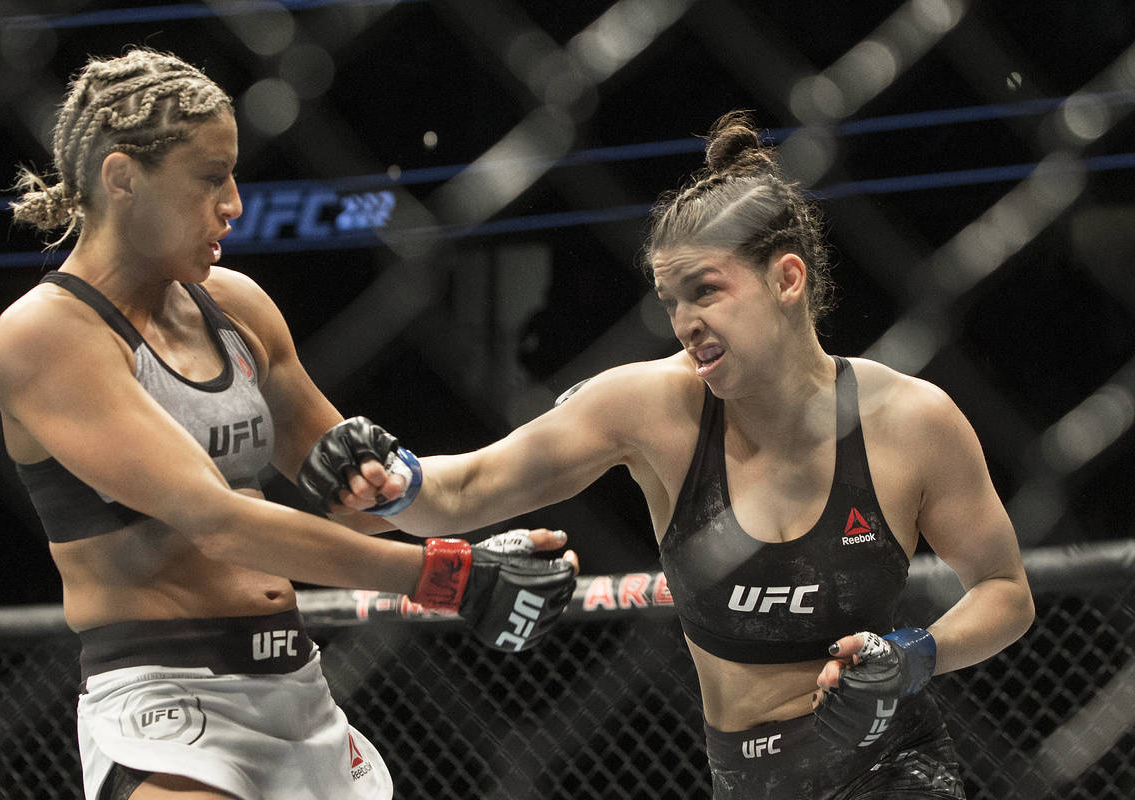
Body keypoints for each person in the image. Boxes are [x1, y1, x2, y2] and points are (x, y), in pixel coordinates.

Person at [306, 111, 1036, 798]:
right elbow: (467, 487)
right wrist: (391, 479)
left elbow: (1005, 592)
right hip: (742, 780)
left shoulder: (912, 420)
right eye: (670, 301)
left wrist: (915, 657)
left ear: (787, 279)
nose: (686, 322)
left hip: (892, 764)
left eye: (706, 292)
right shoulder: (649, 409)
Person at [0, 48, 578, 800]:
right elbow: (218, 522)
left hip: (297, 689)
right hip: (169, 709)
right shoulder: (49, 335)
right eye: (209, 178)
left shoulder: (236, 307)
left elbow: (355, 507)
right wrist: (448, 577)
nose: (233, 204)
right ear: (122, 178)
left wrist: (415, 510)